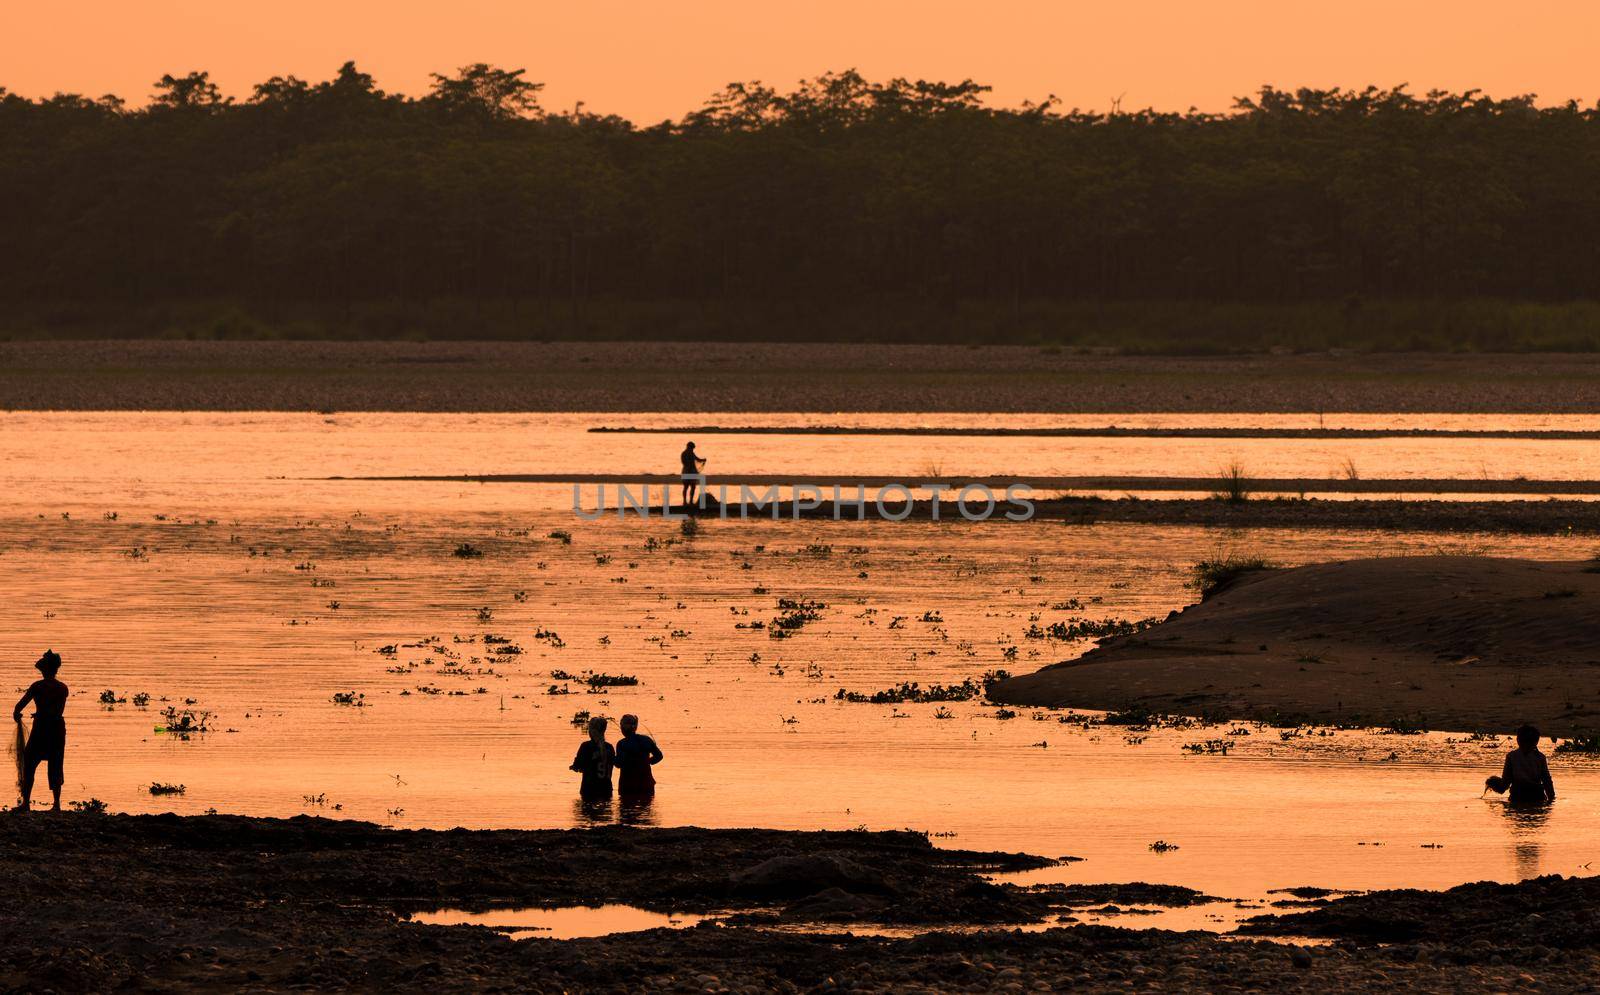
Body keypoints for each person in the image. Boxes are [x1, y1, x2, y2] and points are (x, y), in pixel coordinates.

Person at [14, 650, 68, 812]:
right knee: (56, 764)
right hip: (57, 729)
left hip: (41, 728)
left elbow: (18, 707)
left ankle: (26, 803)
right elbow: (57, 711)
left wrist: (18, 716)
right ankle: (56, 804)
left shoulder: (37, 686)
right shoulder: (62, 688)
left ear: (44, 670)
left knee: (29, 763)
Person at [1485, 724, 1556, 806]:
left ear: (1518, 740)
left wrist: (1491, 782)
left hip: (1517, 797)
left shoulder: (1511, 757)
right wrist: (1551, 800)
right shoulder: (1540, 757)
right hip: (1537, 797)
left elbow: (1504, 786)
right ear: (1536, 742)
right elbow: (1547, 782)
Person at [615, 713, 664, 798]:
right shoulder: (647, 740)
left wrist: (610, 757)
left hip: (628, 785)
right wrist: (648, 761)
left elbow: (619, 764)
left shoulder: (622, 744)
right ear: (635, 727)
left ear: (623, 728)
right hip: (647, 783)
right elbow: (659, 756)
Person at [570, 715, 615, 798]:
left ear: (592, 731)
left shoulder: (585, 746)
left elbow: (578, 765)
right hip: (606, 789)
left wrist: (574, 767)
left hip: (589, 789)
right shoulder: (609, 747)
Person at [680, 441, 707, 509]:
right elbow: (683, 462)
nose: (692, 449)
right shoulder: (684, 454)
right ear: (689, 447)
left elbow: (697, 459)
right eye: (692, 448)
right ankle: (685, 501)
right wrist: (689, 466)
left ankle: (690, 501)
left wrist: (703, 460)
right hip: (687, 472)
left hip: (690, 472)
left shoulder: (691, 453)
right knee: (686, 487)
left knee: (692, 487)